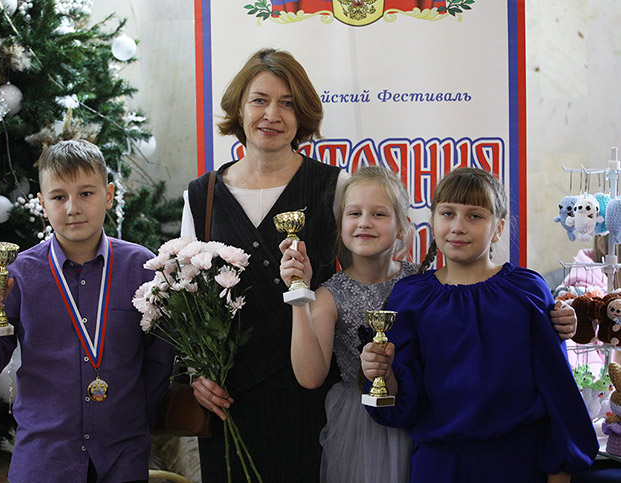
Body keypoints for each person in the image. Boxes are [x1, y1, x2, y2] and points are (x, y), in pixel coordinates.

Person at [360, 167, 598, 483]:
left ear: (498, 228)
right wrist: (381, 372)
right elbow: (402, 403)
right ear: (433, 221)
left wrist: (560, 471)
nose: (458, 227)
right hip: (437, 466)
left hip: (517, 464)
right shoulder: (410, 296)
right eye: (448, 213)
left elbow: (557, 390)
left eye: (474, 216)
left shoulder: (526, 291)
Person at [0, 140, 174, 483]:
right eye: (59, 197)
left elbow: (159, 362)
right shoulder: (17, 276)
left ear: (109, 195)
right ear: (42, 205)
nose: (73, 208)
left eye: (86, 193)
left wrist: (127, 421)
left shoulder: (143, 268)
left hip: (122, 460)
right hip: (44, 461)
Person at [181, 48, 349, 482]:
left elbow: (355, 286)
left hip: (310, 394)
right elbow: (188, 297)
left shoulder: (335, 186)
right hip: (229, 398)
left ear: (302, 114)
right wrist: (197, 374)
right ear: (239, 107)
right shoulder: (202, 195)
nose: (272, 114)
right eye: (260, 100)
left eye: (287, 103)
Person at [279, 166, 414, 482]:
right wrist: (300, 292)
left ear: (401, 227)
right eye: (354, 213)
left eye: (378, 214)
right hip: (359, 427)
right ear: (340, 225)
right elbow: (310, 376)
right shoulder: (329, 296)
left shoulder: (420, 282)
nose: (365, 222)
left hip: (416, 415)